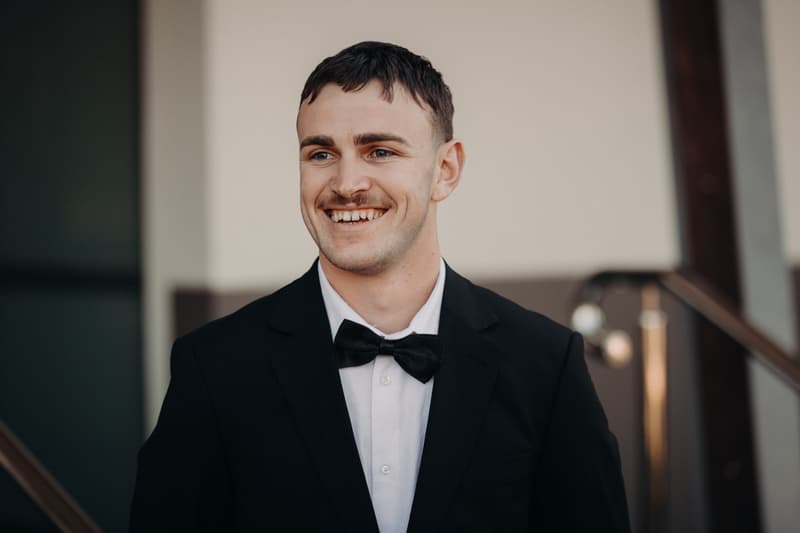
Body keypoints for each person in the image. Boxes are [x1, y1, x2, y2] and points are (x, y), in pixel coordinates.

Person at [130, 41, 630, 532]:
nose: (347, 182)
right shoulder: (214, 366)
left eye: (380, 150)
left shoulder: (545, 362)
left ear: (446, 170)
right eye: (321, 153)